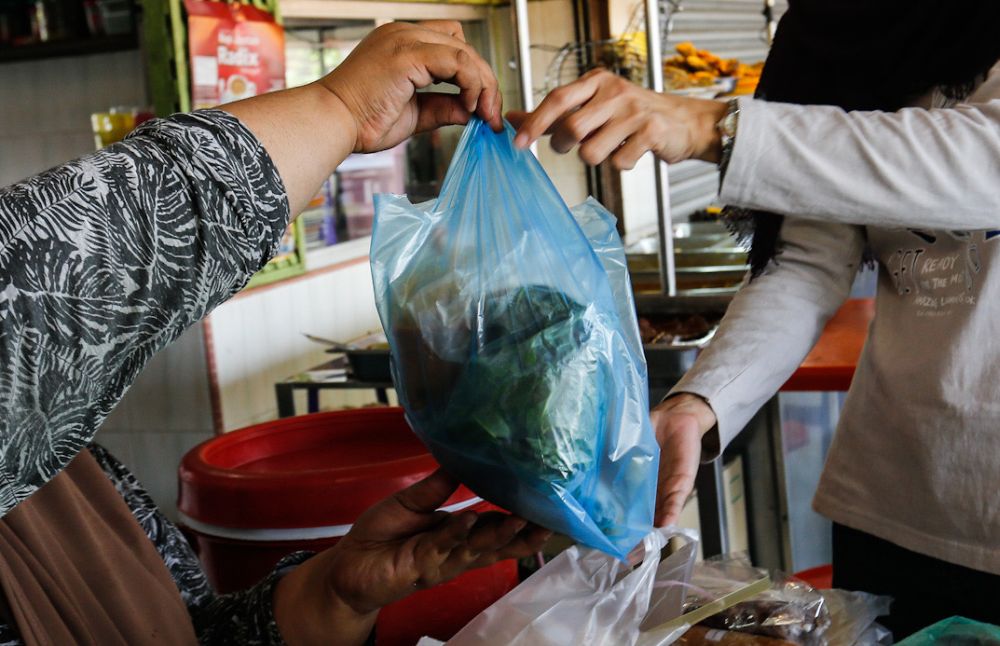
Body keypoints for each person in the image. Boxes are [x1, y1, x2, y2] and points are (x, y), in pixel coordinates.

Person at [0, 21, 548, 645]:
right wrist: (336, 110)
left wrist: (335, 593)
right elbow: (32, 293)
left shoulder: (62, 474)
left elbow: (191, 633)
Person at [511, 0, 1000, 637]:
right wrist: (702, 401)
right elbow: (805, 263)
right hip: (894, 506)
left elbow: (983, 162)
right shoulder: (838, 37)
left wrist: (719, 126)